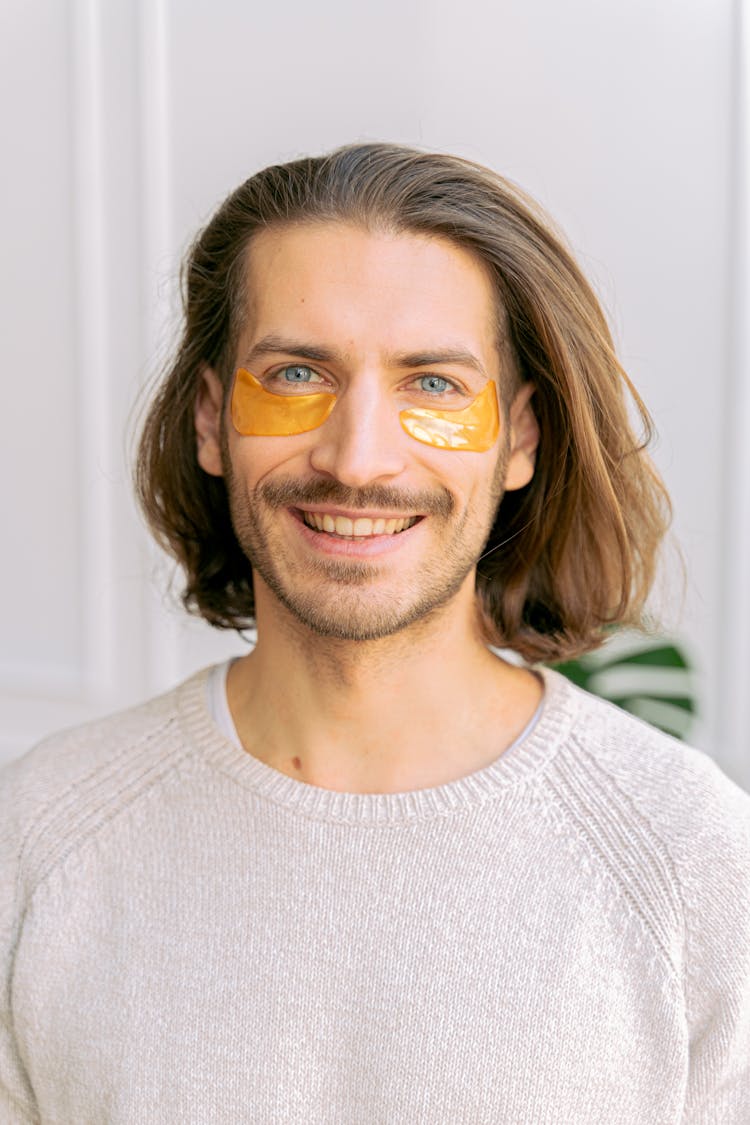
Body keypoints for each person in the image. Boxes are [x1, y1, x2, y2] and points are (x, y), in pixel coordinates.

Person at [1, 143, 748, 1124]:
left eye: (432, 384)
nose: (358, 458)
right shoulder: (37, 837)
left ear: (520, 438)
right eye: (299, 372)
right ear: (212, 422)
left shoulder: (689, 852)